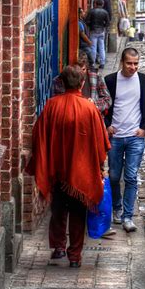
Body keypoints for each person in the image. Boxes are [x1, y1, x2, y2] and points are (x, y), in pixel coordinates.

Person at [26, 65, 110, 267]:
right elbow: (101, 142)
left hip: (57, 170)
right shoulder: (90, 108)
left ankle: (58, 248)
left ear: (61, 83)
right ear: (82, 83)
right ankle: (75, 256)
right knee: (78, 213)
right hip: (81, 171)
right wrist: (100, 167)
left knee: (57, 209)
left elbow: (38, 137)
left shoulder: (51, 106)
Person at [104, 47, 145, 232]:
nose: (133, 67)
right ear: (122, 63)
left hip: (135, 137)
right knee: (115, 176)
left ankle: (128, 216)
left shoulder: (144, 80)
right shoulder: (110, 80)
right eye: (129, 63)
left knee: (131, 177)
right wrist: (107, 125)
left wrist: (144, 128)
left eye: (136, 64)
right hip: (115, 136)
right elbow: (104, 106)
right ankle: (117, 209)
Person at [53, 52, 112, 116]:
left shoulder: (96, 76)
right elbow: (57, 102)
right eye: (77, 70)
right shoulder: (61, 80)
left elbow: (108, 100)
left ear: (87, 68)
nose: (80, 74)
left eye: (83, 70)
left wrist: (94, 104)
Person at [85, 0, 110, 68]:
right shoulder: (105, 12)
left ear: (95, 4)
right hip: (101, 31)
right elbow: (108, 23)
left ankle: (92, 63)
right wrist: (103, 25)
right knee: (101, 47)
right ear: (102, 4)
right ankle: (102, 63)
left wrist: (91, 25)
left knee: (93, 47)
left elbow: (87, 21)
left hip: (93, 30)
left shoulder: (92, 11)